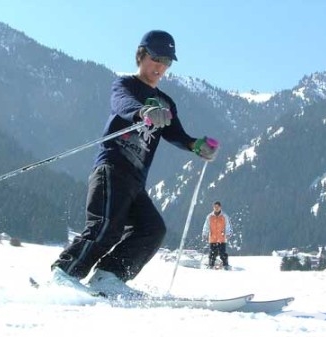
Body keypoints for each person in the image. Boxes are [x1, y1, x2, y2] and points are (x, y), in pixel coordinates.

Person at [50, 30, 219, 297]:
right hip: (111, 169)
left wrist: (195, 145)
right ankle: (64, 273)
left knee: (152, 229)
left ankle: (108, 276)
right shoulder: (125, 85)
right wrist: (144, 111)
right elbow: (122, 104)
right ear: (141, 55)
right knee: (106, 227)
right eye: (156, 58)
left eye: (167, 61)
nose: (160, 67)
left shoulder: (167, 103)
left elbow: (177, 134)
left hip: (135, 181)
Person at [202, 201, 232, 270]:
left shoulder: (224, 216)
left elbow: (227, 226)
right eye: (215, 207)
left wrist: (228, 233)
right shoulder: (210, 216)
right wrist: (204, 233)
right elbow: (206, 226)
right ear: (213, 207)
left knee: (223, 254)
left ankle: (225, 265)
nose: (216, 208)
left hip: (222, 239)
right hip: (212, 239)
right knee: (212, 254)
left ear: (220, 207)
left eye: (217, 207)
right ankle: (210, 266)